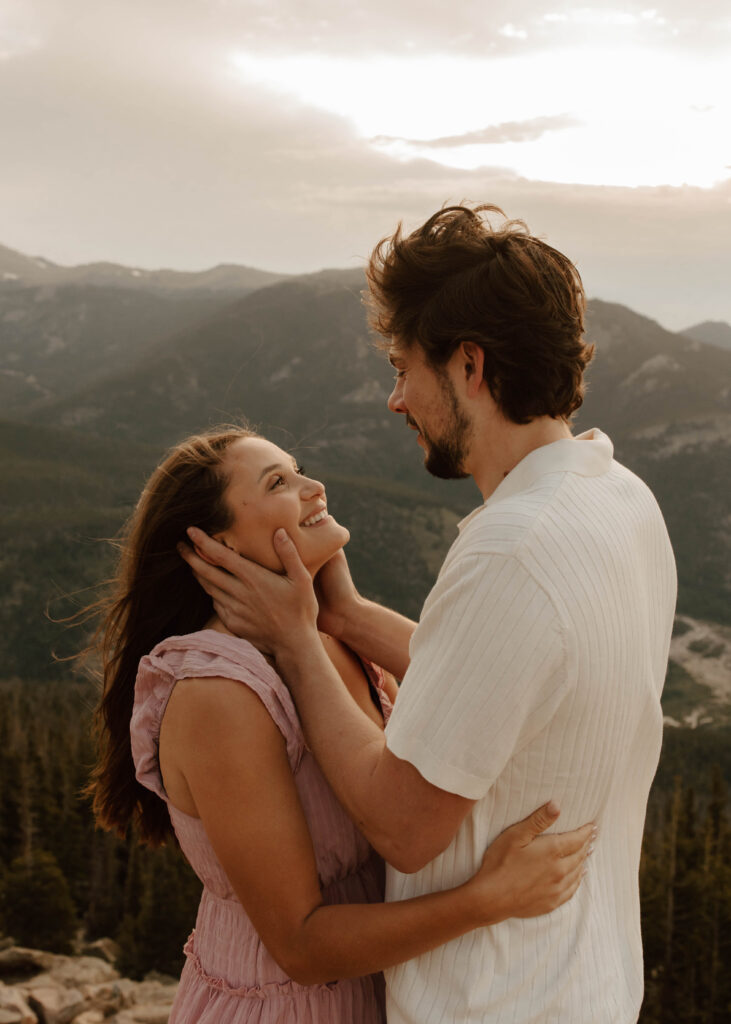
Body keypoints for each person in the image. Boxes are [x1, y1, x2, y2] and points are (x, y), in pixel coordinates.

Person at [181, 204, 678, 1023]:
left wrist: (297, 642)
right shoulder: (618, 499)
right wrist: (343, 615)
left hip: (496, 1003)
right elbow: (502, 680)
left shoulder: (509, 552)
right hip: (583, 986)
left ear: (469, 367)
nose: (395, 399)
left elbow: (405, 828)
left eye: (403, 367)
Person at [87, 424, 595, 1024]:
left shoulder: (316, 634)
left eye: (297, 467)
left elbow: (475, 683)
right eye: (279, 482)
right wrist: (486, 900)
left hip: (376, 991)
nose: (313, 486)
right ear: (212, 545)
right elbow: (301, 945)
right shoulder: (217, 693)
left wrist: (346, 615)